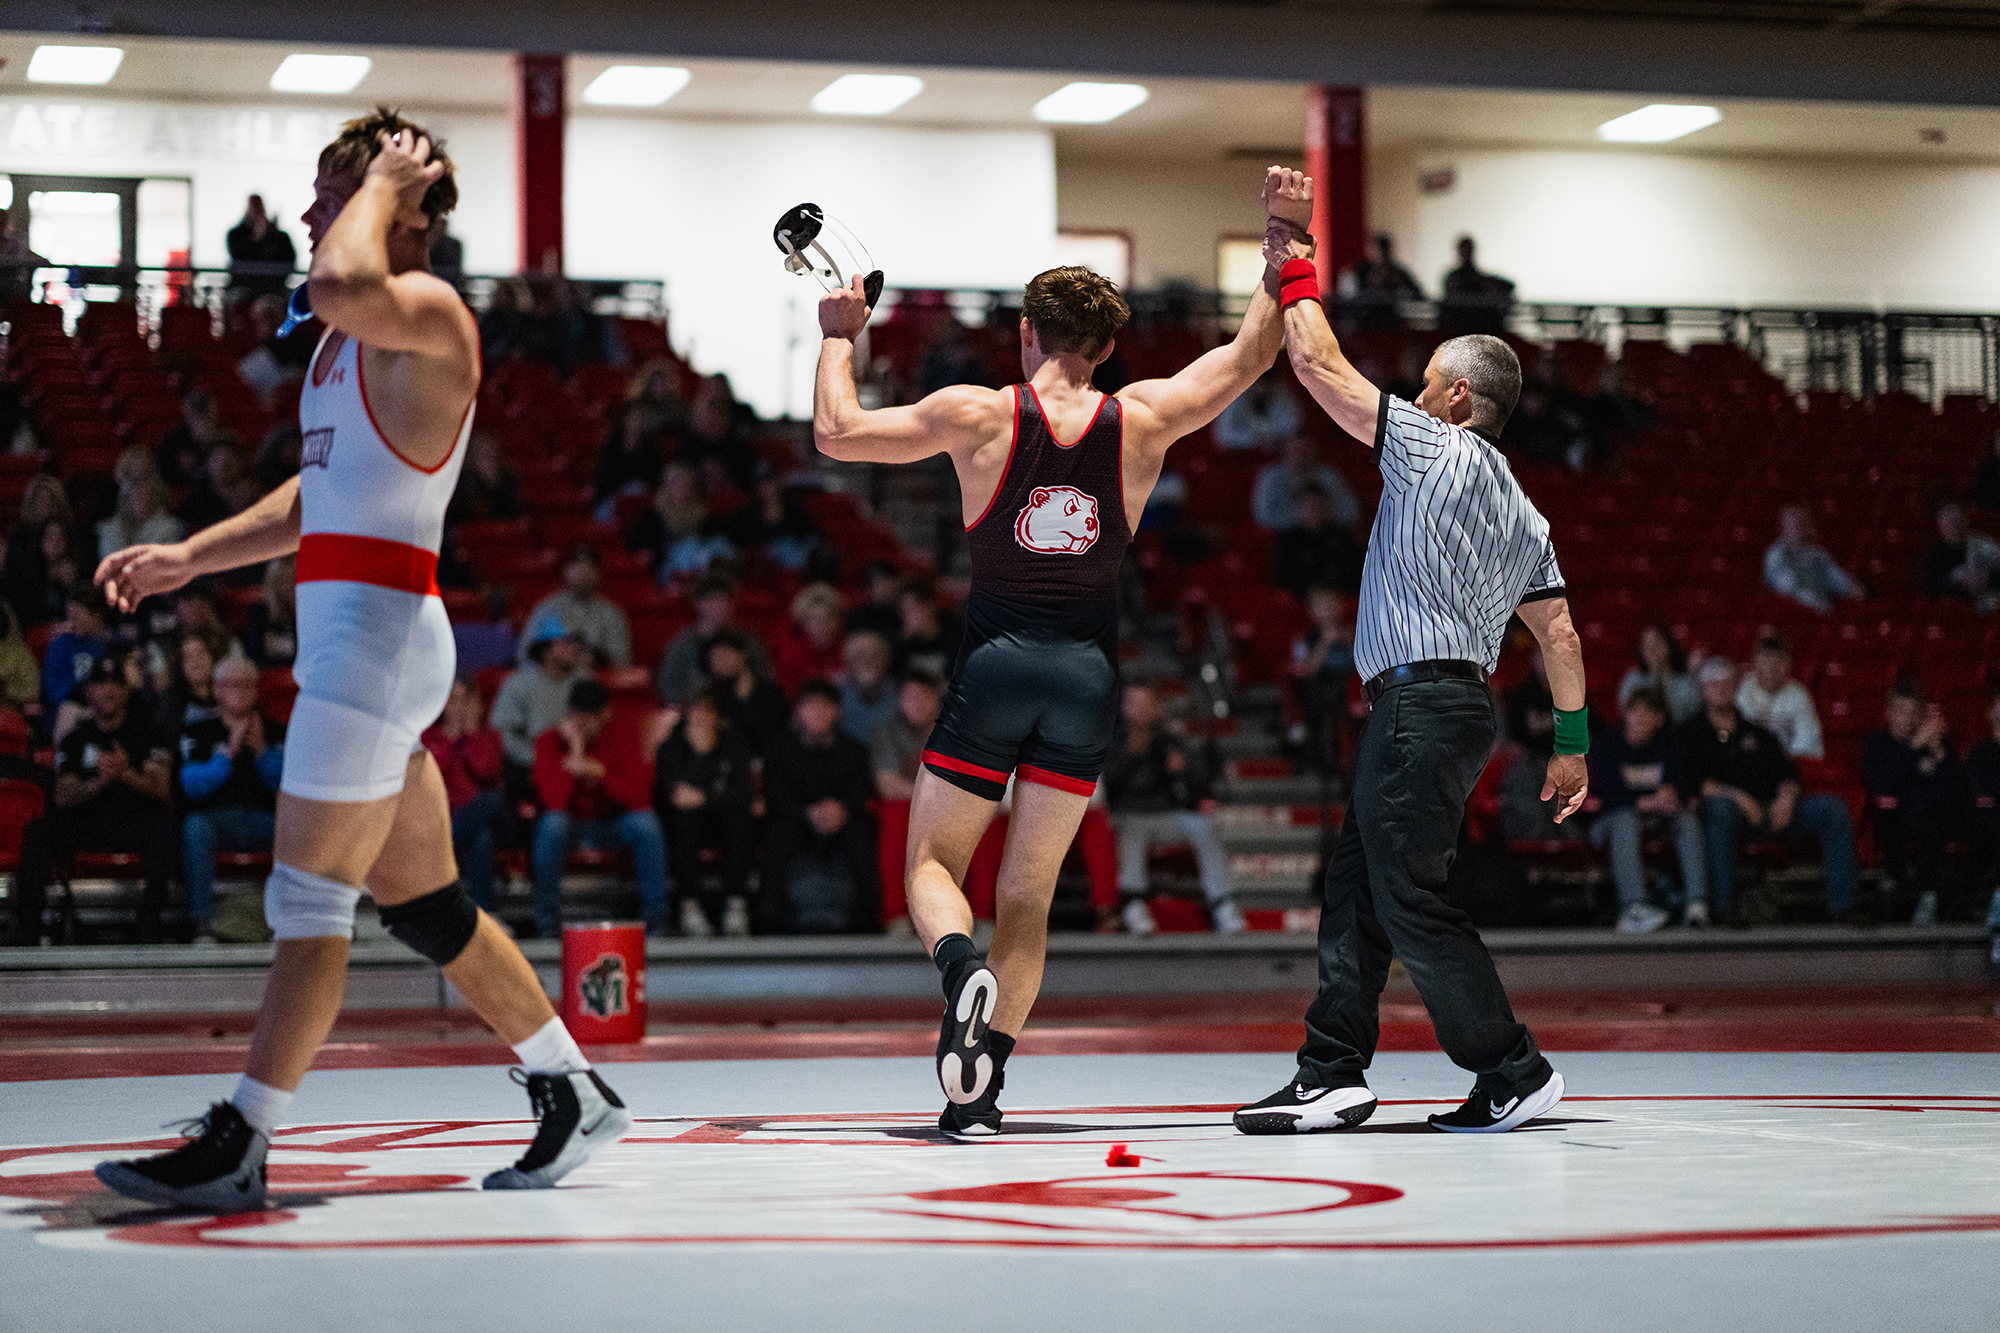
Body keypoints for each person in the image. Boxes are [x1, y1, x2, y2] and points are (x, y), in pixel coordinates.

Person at [91, 112, 628, 1211]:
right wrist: (193, 556)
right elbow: (317, 492)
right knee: (423, 899)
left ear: (402, 205)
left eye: (328, 194)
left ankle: (242, 1137)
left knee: (305, 901)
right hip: (367, 638)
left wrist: (382, 183)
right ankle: (571, 1086)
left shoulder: (421, 312)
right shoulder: (348, 344)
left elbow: (338, 280)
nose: (306, 216)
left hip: (374, 646)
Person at [812, 167, 1299, 1135]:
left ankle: (961, 977)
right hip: (1085, 679)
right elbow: (1251, 354)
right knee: (1027, 898)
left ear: (1024, 334)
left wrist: (836, 337)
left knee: (929, 868)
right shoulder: (1145, 416)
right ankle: (978, 1089)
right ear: (1110, 347)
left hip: (994, 664)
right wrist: (1285, 238)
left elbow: (836, 434)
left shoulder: (977, 413)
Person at [1233, 169, 1574, 1138]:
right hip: (1457, 706)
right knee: (1356, 885)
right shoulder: (1524, 505)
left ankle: (1511, 1067)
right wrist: (1572, 743)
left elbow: (1318, 368)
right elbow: (1559, 634)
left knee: (1405, 896)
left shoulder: (1432, 444)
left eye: (1426, 378)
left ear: (1455, 395)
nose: (1413, 390)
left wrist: (1291, 250)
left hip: (1419, 703)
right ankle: (1330, 1070)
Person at [1676, 657, 1862, 925]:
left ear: (1736, 686)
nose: (1721, 689)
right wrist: (1739, 798)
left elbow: (1788, 772)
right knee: (1719, 808)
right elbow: (1693, 783)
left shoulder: (1756, 732)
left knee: (1832, 809)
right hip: (1727, 817)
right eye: (1713, 684)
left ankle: (1845, 906)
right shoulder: (1688, 733)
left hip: (1771, 811)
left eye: (1727, 683)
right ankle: (1724, 907)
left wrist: (1786, 798)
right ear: (1703, 690)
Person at [12, 656, 178, 945]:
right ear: (88, 692)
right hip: (89, 821)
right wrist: (97, 783)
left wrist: (125, 774)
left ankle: (149, 929)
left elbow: (162, 790)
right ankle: (28, 933)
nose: (108, 690)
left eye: (115, 683)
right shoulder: (75, 739)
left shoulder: (149, 733)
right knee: (38, 831)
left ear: (126, 691)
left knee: (164, 829)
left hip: (133, 819)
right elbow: (61, 796)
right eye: (100, 684)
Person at [531, 678, 669, 938]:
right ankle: (547, 923)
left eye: (591, 717)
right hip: (572, 824)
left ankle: (657, 918)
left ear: (605, 714)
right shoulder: (549, 741)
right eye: (578, 716)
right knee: (552, 825)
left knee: (645, 825)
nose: (584, 724)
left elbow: (639, 796)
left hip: (612, 823)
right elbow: (553, 801)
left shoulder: (623, 736)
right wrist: (576, 750)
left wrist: (600, 772)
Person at [1104, 681, 1245, 935]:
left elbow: (1200, 783)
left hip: (1165, 815)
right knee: (1130, 830)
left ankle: (1223, 905)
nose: (1140, 710)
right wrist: (1132, 753)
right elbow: (1108, 786)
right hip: (1128, 815)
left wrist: (1183, 769)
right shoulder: (1112, 739)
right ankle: (1134, 903)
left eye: (1146, 704)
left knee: (1204, 826)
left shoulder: (1169, 739)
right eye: (1134, 704)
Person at [179, 657, 287, 942]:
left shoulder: (275, 730)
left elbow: (289, 786)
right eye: (230, 684)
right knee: (195, 826)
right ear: (216, 690)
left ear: (256, 690)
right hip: (217, 820)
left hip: (264, 819)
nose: (238, 691)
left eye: (246, 685)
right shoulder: (198, 731)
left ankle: (285, 919)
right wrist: (228, 753)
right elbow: (191, 786)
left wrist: (262, 751)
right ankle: (203, 924)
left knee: (298, 828)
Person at [762, 679, 879, 934]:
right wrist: (807, 813)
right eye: (811, 706)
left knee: (861, 835)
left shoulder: (854, 750)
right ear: (799, 712)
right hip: (797, 819)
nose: (818, 712)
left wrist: (841, 810)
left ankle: (867, 918)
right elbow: (776, 797)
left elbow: (859, 792)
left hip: (843, 819)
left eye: (825, 707)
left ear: (837, 712)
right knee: (777, 834)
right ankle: (770, 918)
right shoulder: (780, 750)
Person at [1586, 687, 1706, 932]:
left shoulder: (1668, 747)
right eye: (1636, 712)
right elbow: (1608, 794)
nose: (1641, 718)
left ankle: (1697, 904)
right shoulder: (1606, 745)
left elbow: (1680, 785)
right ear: (1625, 714)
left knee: (1686, 820)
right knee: (1625, 818)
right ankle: (1633, 907)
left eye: (1649, 713)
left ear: (1659, 719)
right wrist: (1650, 801)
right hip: (1606, 823)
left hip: (1655, 820)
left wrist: (1672, 795)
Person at [1859, 680, 1972, 924]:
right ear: (1888, 714)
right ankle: (1922, 896)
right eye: (1900, 711)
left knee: (1934, 816)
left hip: (1934, 818)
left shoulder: (1934, 745)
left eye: (1913, 713)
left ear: (1921, 716)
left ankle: (1933, 897)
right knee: (1917, 816)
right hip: (1893, 820)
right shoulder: (1877, 744)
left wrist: (1940, 755)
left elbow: (1958, 793)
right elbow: (1885, 784)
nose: (1906, 719)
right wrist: (1914, 747)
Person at [652, 684, 755, 937]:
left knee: (740, 820)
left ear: (719, 718)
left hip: (724, 819)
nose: (701, 717)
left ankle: (735, 905)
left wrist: (705, 798)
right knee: (685, 821)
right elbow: (674, 798)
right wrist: (700, 755)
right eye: (696, 710)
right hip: (685, 822)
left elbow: (742, 795)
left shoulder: (735, 745)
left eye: (708, 711)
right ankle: (690, 906)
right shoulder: (671, 747)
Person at [422, 677, 510, 913]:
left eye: (464, 700)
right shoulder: (429, 738)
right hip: (445, 818)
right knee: (480, 838)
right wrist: (451, 739)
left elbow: (485, 771)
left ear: (475, 703)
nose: (458, 707)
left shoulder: (489, 737)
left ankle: (441, 845)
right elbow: (433, 777)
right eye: (453, 700)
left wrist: (471, 735)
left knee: (491, 801)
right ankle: (486, 915)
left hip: (483, 816)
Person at [491, 617, 594, 788]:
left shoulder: (584, 681)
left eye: (576, 643)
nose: (575, 648)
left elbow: (598, 723)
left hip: (579, 763)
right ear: (546, 649)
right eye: (567, 642)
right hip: (530, 770)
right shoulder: (518, 683)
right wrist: (539, 759)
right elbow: (504, 735)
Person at [653, 573, 772, 705]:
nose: (718, 606)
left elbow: (766, 686)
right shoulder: (681, 645)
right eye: (711, 599)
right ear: (698, 603)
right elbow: (668, 691)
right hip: (696, 716)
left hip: (742, 717)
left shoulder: (750, 643)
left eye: (724, 599)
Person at [518, 545, 631, 669]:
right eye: (576, 566)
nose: (582, 572)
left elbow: (622, 662)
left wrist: (597, 658)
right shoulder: (546, 608)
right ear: (565, 570)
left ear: (599, 572)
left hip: (594, 683)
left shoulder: (612, 614)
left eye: (589, 567)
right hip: (551, 683)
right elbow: (524, 656)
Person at [1735, 633, 1824, 760]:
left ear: (1789, 664)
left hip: (1785, 769)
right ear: (1755, 661)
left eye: (1779, 661)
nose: (1772, 668)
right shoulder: (1741, 691)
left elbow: (1807, 745)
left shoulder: (1799, 695)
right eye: (1766, 660)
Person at [702, 631, 789, 754]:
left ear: (742, 655)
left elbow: (776, 734)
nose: (721, 662)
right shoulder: (708, 697)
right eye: (715, 658)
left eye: (726, 654)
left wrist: (745, 701)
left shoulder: (769, 693)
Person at [1765, 504, 1863, 614]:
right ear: (1782, 526)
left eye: (1798, 523)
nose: (1795, 529)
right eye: (1790, 524)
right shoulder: (1775, 554)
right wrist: (1813, 601)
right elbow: (1783, 585)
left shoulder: (1818, 554)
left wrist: (1851, 587)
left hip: (1823, 611)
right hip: (1791, 613)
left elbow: (1835, 577)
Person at [1252, 434, 1361, 533]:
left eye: (1306, 450)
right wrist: (1298, 516)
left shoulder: (1329, 476)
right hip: (1285, 536)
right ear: (1286, 452)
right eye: (1296, 451)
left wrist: (1322, 514)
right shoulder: (1271, 477)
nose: (1301, 456)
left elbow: (1352, 511)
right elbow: (1262, 516)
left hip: (1328, 533)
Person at [1273, 481, 1364, 596]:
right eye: (1309, 506)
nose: (1314, 511)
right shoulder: (1288, 540)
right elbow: (1286, 579)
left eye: (1319, 506)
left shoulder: (1340, 536)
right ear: (1298, 509)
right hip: (1303, 599)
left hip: (1339, 596)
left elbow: (1353, 571)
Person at [871, 669, 946, 801]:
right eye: (912, 697)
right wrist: (938, 795)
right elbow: (888, 786)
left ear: (937, 699)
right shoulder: (887, 733)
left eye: (926, 696)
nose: (919, 704)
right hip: (904, 809)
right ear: (900, 700)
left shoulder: (955, 733)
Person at [1921, 500, 2000, 613]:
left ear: (1966, 519)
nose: (1954, 525)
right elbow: (1929, 587)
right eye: (1948, 521)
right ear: (1940, 525)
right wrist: (1954, 579)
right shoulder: (1934, 554)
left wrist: (1987, 579)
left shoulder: (1986, 546)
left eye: (1957, 519)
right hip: (1953, 613)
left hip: (1990, 609)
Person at [96, 463, 186, 561]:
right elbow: (111, 564)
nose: (137, 500)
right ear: (124, 499)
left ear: (153, 497)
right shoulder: (109, 529)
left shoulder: (170, 527)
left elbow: (163, 564)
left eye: (141, 496)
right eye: (132, 497)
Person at [1617, 623, 1700, 725]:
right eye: (1646, 645)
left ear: (1669, 645)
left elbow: (1690, 716)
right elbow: (1626, 714)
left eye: (1657, 642)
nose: (1652, 648)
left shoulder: (1684, 682)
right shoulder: (1632, 679)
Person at [773, 582, 847, 695]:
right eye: (816, 620)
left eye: (830, 619)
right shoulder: (791, 654)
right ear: (804, 623)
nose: (824, 626)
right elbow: (788, 694)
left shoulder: (847, 649)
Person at [225, 194, 298, 302]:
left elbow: (290, 258)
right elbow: (237, 255)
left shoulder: (280, 236)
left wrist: (273, 234)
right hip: (244, 288)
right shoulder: (236, 234)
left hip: (274, 289)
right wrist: (256, 237)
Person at [1342, 232, 1425, 326]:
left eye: (1375, 248)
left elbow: (1418, 293)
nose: (1370, 252)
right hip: (1365, 321)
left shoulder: (1396, 272)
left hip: (1391, 322)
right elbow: (1350, 294)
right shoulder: (1361, 270)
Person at [1438, 235, 1515, 334]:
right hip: (1460, 326)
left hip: (1483, 326)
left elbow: (1509, 286)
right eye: (1464, 249)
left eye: (1468, 249)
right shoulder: (1454, 278)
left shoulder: (1481, 278)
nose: (1466, 253)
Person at [1213, 367, 1301, 452]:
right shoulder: (1235, 395)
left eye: (1265, 384)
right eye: (1256, 384)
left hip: (1277, 451)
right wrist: (1254, 439)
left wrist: (1270, 438)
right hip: (1242, 454)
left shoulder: (1281, 392)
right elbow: (1223, 435)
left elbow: (1294, 425)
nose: (1261, 389)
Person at [840, 630, 901, 747]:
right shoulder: (837, 694)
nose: (868, 661)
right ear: (849, 662)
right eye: (860, 655)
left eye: (875, 655)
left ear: (886, 660)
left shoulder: (901, 692)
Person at [446, 429, 521, 524]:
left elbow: (508, 513)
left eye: (490, 452)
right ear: (472, 456)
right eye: (481, 453)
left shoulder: (508, 478)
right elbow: (458, 515)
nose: (486, 457)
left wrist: (493, 483)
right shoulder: (461, 480)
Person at [893, 577, 961, 679]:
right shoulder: (903, 642)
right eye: (904, 612)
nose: (909, 617)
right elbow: (894, 676)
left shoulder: (954, 634)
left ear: (931, 606)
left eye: (914, 609)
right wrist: (902, 642)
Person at [241, 555, 299, 669]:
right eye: (284, 581)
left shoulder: (308, 617)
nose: (288, 587)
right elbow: (254, 657)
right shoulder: (258, 614)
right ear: (273, 584)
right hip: (265, 678)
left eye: (293, 580)